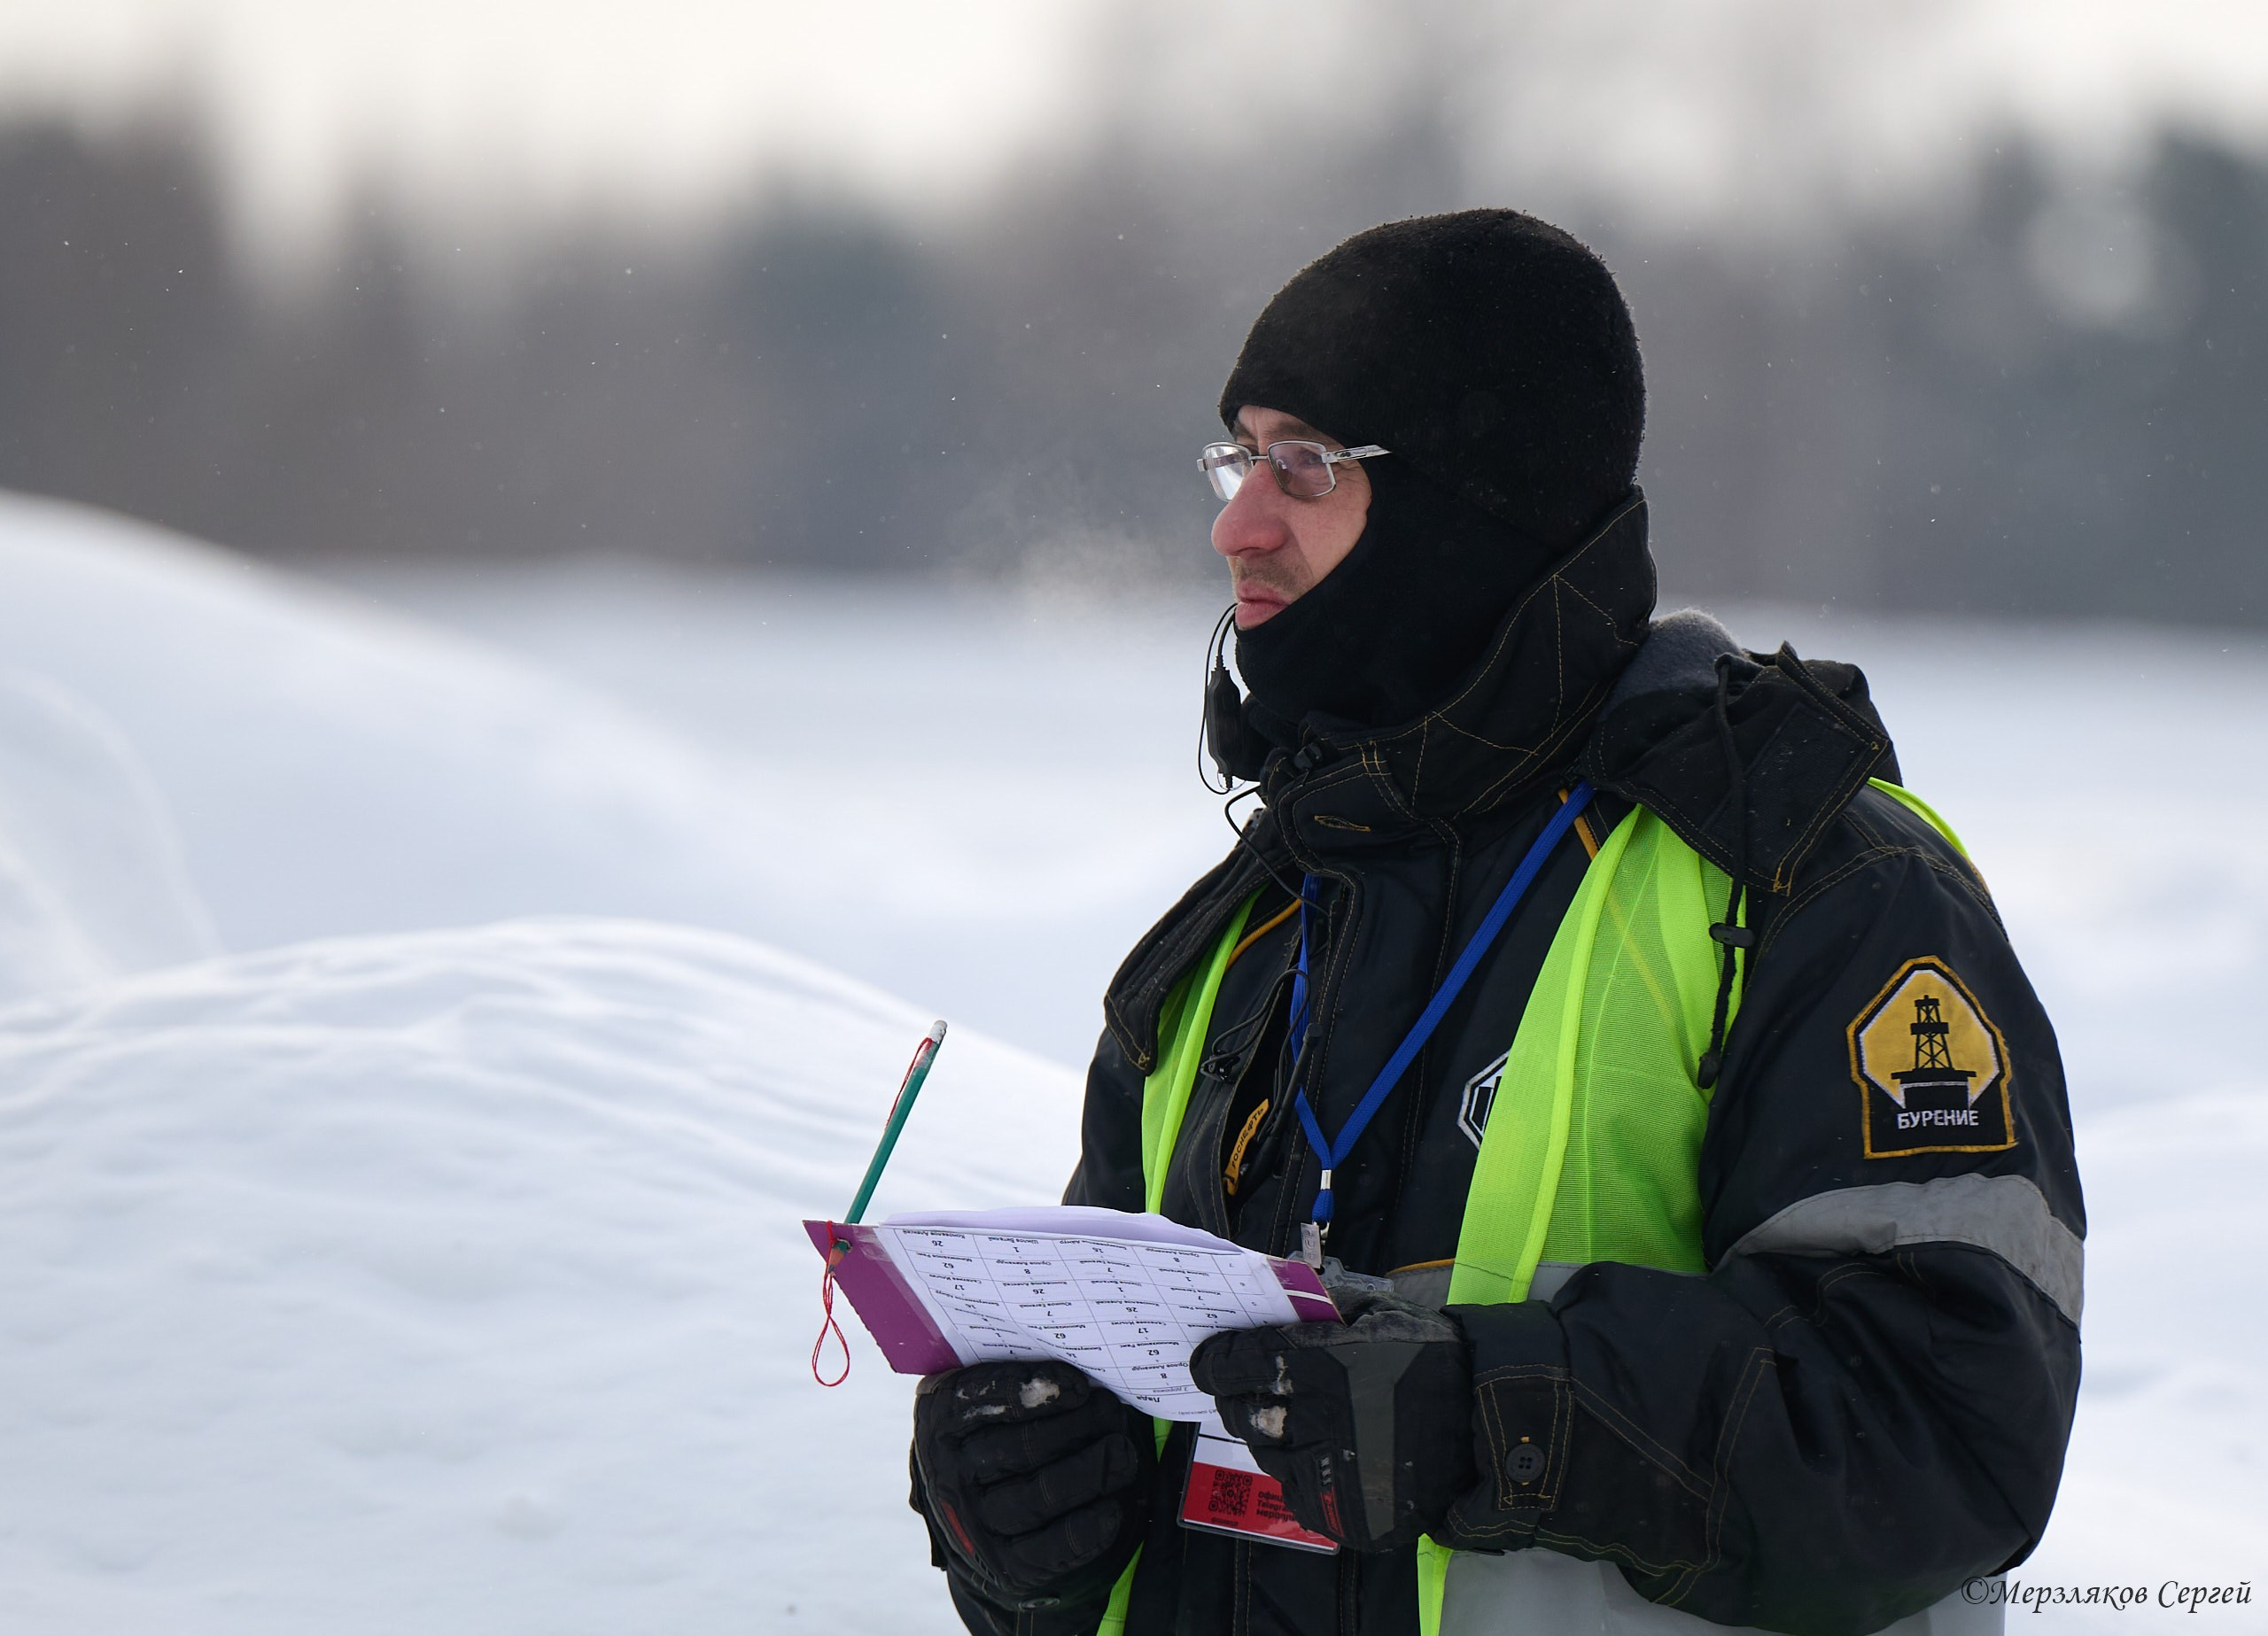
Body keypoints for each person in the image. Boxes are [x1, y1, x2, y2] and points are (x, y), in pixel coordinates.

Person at [907, 210, 2081, 1636]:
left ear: (1472, 503)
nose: (1236, 521)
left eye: (1307, 465)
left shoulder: (1808, 880)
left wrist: (1499, 1419)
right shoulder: (1247, 930)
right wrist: (1023, 1531)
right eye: (1239, 455)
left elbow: (1944, 1436)